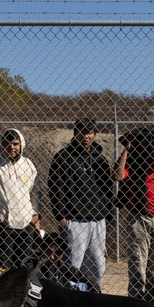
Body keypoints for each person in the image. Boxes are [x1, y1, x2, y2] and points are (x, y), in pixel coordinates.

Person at [47, 117, 113, 292]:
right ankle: (70, 300)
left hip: (98, 219)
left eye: (90, 132)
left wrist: (108, 215)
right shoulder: (63, 157)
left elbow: (107, 189)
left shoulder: (100, 159)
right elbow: (56, 187)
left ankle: (93, 299)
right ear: (75, 134)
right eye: (82, 132)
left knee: (98, 266)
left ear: (94, 134)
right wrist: (60, 216)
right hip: (75, 220)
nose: (86, 136)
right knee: (72, 266)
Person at [114, 126, 154, 301]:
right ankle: (136, 302)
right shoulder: (135, 162)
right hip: (139, 218)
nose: (148, 146)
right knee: (137, 264)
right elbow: (117, 176)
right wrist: (127, 149)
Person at [0, 128, 40, 269]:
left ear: (21, 145)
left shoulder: (28, 165)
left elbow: (35, 192)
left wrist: (34, 214)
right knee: (3, 269)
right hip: (3, 227)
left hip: (26, 226)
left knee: (24, 268)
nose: (11, 147)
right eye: (7, 143)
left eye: (15, 144)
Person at [29, 232, 96, 292]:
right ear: (42, 249)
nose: (52, 257)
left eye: (57, 253)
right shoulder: (33, 263)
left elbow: (80, 276)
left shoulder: (60, 264)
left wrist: (96, 287)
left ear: (62, 254)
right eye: (49, 251)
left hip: (63, 296)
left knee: (83, 287)